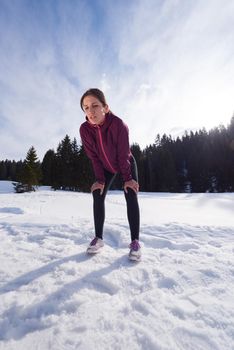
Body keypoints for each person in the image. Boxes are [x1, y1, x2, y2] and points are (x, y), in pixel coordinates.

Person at [79, 88, 141, 261]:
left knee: (130, 192)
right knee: (97, 193)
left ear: (105, 107)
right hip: (105, 167)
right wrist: (100, 180)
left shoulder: (118, 125)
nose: (90, 111)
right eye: (86, 108)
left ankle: (135, 242)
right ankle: (98, 239)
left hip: (125, 163)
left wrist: (128, 179)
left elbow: (123, 155)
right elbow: (94, 157)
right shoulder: (84, 129)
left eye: (94, 105)